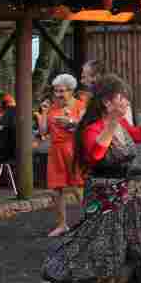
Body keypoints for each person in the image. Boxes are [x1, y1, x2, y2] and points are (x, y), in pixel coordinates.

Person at [42, 75, 141, 283]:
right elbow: (96, 155)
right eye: (120, 97)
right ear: (106, 102)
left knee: (129, 254)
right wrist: (111, 122)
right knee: (108, 257)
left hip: (125, 195)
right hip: (104, 199)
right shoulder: (91, 128)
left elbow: (139, 134)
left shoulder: (120, 122)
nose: (126, 102)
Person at [37, 74, 86, 237]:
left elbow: (86, 128)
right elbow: (43, 131)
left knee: (78, 187)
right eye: (56, 91)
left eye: (62, 91)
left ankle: (92, 221)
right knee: (55, 190)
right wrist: (44, 112)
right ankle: (61, 224)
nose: (58, 94)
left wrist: (70, 123)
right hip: (55, 150)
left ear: (71, 91)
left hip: (73, 148)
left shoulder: (80, 106)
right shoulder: (52, 107)